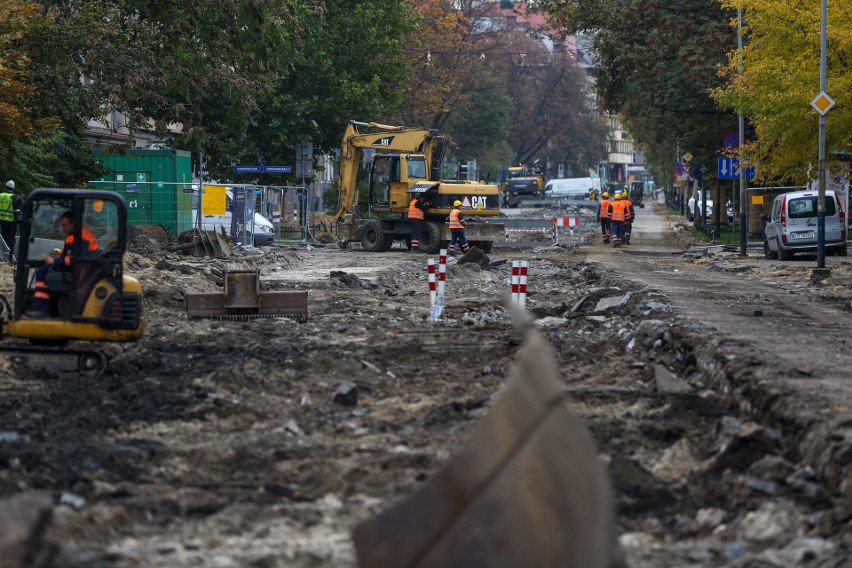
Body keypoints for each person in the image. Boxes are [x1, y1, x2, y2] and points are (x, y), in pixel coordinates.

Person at [31, 211, 99, 316]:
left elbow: (75, 260)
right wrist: (55, 259)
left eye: (65, 225)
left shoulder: (81, 238)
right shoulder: (74, 236)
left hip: (79, 273)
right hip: (77, 270)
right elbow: (66, 255)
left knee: (42, 272)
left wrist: (54, 261)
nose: (63, 228)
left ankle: (42, 309)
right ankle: (49, 307)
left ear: (73, 224)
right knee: (43, 267)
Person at [0, 180, 23, 258]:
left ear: (5, 187)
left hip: (1, 222)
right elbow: (17, 213)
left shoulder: (0, 195)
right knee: (10, 241)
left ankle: (2, 256)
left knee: (2, 239)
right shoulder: (15, 197)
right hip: (10, 223)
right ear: (13, 188)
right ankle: (8, 258)